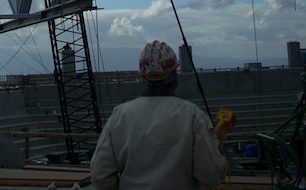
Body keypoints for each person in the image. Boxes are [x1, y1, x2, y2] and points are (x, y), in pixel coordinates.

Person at [89, 40, 226, 190]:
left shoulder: (120, 115)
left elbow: (99, 175)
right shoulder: (192, 115)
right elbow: (212, 175)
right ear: (174, 77)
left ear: (144, 77)